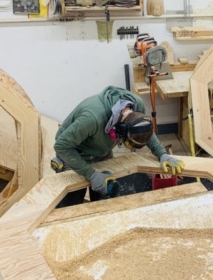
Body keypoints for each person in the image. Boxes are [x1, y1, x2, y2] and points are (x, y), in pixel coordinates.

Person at [54, 86, 185, 207]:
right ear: (121, 130)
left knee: (104, 198)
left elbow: (142, 130)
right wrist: (91, 175)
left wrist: (162, 154)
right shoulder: (92, 118)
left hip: (101, 151)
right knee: (71, 203)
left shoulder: (136, 105)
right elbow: (62, 146)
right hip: (75, 152)